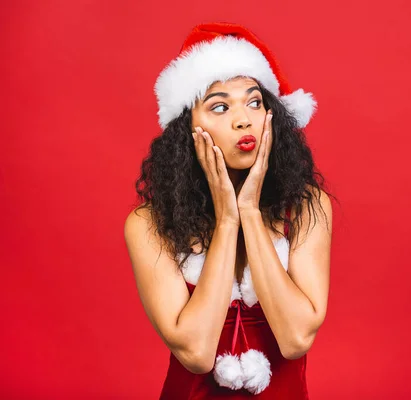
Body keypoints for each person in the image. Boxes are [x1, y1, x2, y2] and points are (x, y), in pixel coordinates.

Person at [124, 22, 334, 399]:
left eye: (255, 102)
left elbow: (296, 338)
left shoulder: (306, 206)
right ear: (187, 129)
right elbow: (197, 353)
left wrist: (249, 211)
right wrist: (226, 220)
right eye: (219, 106)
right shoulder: (147, 224)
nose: (243, 119)